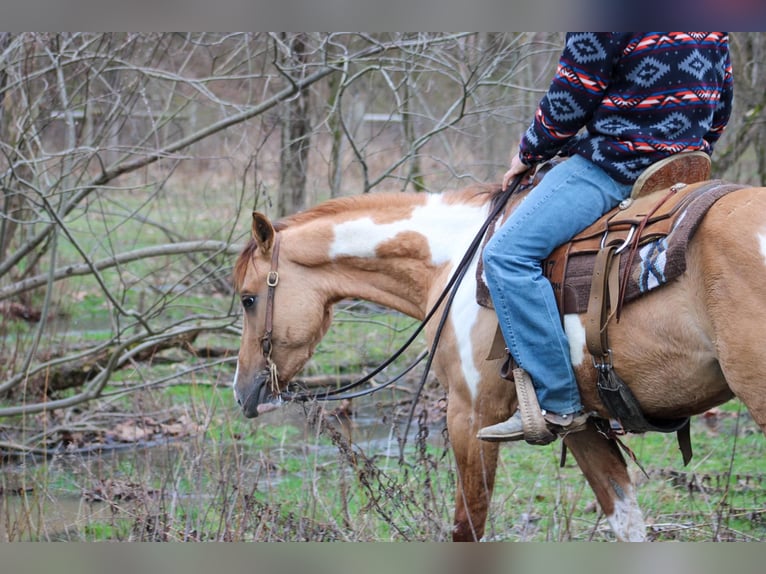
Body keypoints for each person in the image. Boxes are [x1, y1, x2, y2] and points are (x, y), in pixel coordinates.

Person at [477, 32, 733, 442]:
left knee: (508, 255)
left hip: (617, 164)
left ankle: (558, 403)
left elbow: (572, 96)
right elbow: (721, 104)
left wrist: (528, 153)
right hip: (686, 166)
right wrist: (687, 150)